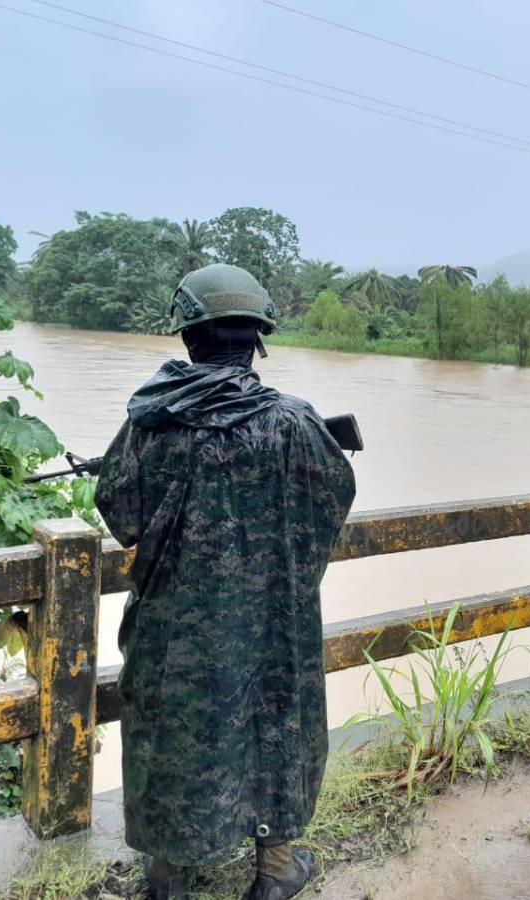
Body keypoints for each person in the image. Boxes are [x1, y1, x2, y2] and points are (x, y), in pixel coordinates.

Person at [95, 264, 357, 900]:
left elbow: (122, 515)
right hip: (274, 623)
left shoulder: (148, 424)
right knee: (277, 722)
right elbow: (330, 510)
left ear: (188, 336)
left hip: (173, 631)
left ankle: (167, 876)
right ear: (258, 339)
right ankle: (275, 870)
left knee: (169, 733)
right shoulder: (296, 423)